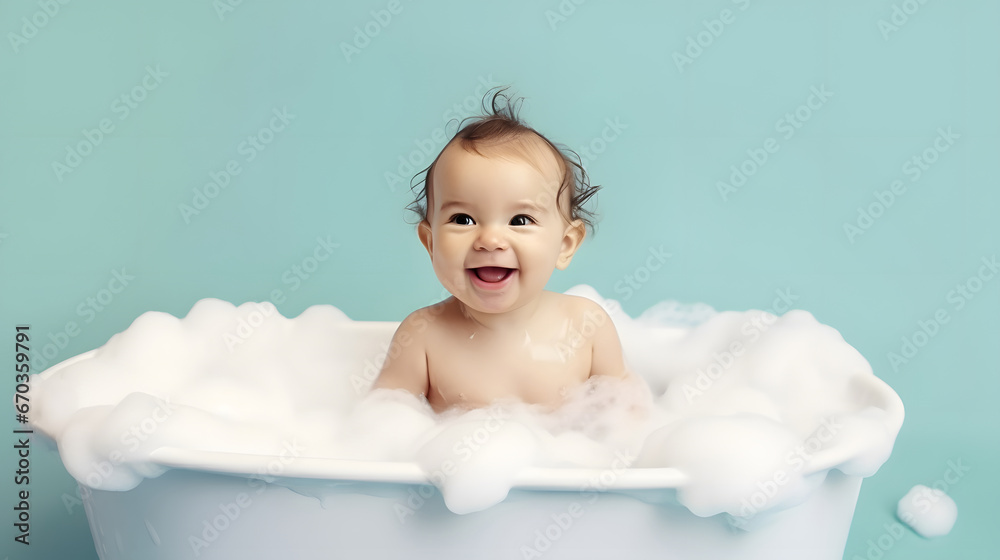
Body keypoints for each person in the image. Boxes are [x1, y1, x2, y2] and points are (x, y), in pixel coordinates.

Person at [373, 87, 640, 414]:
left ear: (566, 245)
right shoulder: (422, 336)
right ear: (430, 243)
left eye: (520, 219)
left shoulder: (587, 327)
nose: (490, 239)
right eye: (463, 219)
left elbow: (628, 422)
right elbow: (381, 423)